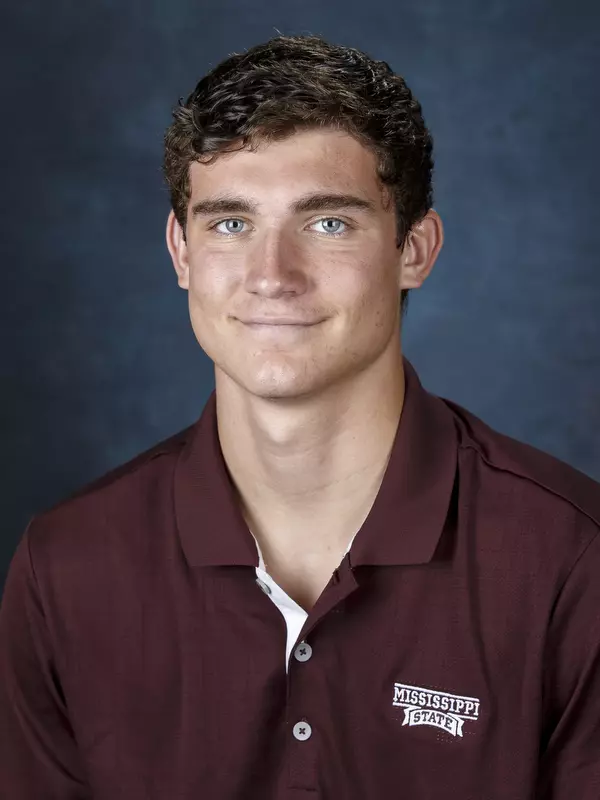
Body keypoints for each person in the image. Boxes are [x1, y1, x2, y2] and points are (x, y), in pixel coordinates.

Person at [1, 32, 599, 800]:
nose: (272, 276)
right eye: (231, 224)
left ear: (415, 250)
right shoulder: (66, 566)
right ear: (181, 252)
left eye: (328, 223)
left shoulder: (570, 561)